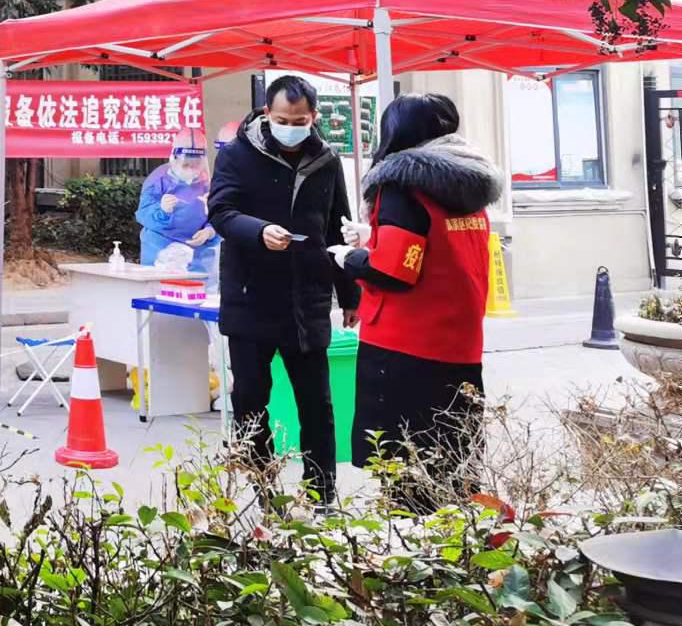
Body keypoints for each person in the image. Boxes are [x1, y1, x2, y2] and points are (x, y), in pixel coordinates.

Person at [327, 94, 500, 510]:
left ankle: (416, 544)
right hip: (459, 342)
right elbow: (439, 248)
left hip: (405, 346)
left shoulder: (402, 188)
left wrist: (350, 258)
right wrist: (373, 237)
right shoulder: (468, 184)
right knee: (453, 463)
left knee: (407, 470)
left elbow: (394, 273)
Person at [209, 75, 360, 503]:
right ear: (266, 114)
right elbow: (220, 211)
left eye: (299, 121)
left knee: (317, 404)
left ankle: (321, 495)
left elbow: (337, 229)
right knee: (251, 401)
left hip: (307, 298)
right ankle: (266, 493)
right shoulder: (237, 154)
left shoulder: (326, 159)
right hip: (250, 296)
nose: (290, 128)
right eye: (282, 120)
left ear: (313, 116)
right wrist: (258, 231)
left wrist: (350, 295)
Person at [135, 131, 218, 273]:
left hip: (197, 254)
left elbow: (218, 214)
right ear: (175, 158)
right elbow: (144, 213)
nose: (191, 169)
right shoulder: (158, 180)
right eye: (186, 164)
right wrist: (162, 211)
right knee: (161, 285)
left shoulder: (206, 183)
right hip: (160, 250)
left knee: (197, 286)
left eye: (195, 165)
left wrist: (210, 231)